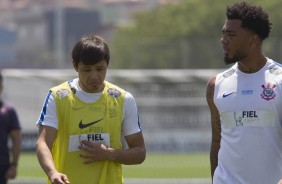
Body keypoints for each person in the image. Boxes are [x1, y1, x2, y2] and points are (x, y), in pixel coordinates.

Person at [36, 34, 146, 184]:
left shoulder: (123, 99)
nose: (94, 76)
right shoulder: (58, 97)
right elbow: (43, 143)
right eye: (87, 70)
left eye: (100, 69)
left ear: (108, 64)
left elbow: (139, 152)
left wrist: (109, 154)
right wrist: (52, 172)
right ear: (75, 66)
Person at [206, 1, 282, 184]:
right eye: (223, 33)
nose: (223, 40)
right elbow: (217, 142)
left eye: (231, 35)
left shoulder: (279, 80)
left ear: (253, 40)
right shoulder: (216, 85)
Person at [0, 71, 21, 184]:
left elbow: (16, 139)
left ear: (1, 85)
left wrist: (14, 165)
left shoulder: (8, 110)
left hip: (1, 166)